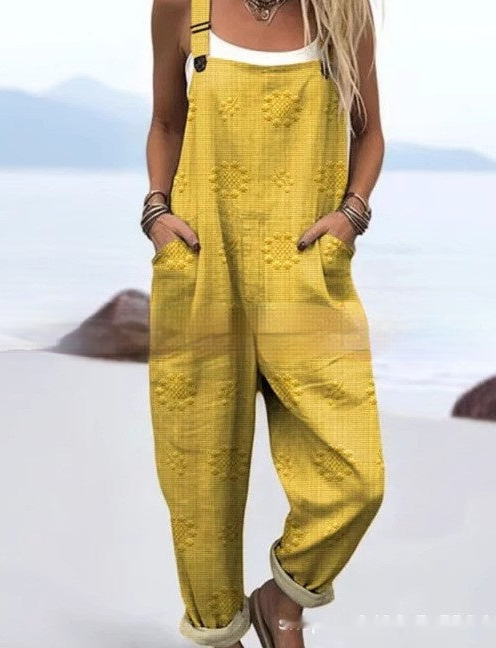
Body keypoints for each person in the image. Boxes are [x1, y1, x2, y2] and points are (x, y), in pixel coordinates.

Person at [143, 0, 386, 646]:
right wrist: (156, 213)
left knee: (357, 478)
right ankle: (218, 632)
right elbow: (166, 122)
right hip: (203, 270)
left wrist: (351, 216)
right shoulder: (182, 6)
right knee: (199, 489)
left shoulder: (343, 12)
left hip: (304, 277)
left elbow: (369, 134)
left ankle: (282, 599)